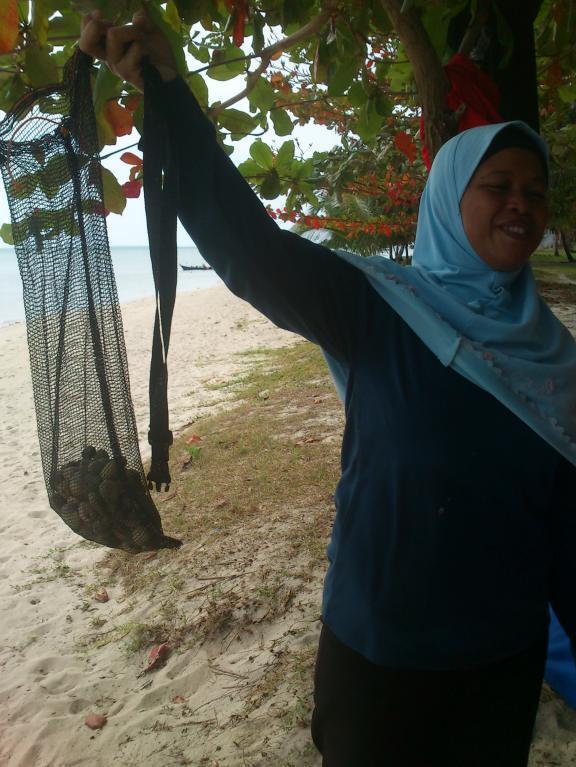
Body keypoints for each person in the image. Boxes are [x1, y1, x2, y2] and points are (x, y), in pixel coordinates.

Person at [80, 12, 576, 766]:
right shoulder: (375, 307)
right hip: (380, 663)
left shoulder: (555, 354)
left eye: (535, 192)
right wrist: (169, 94)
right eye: (498, 185)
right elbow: (247, 246)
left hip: (500, 663)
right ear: (447, 198)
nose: (521, 203)